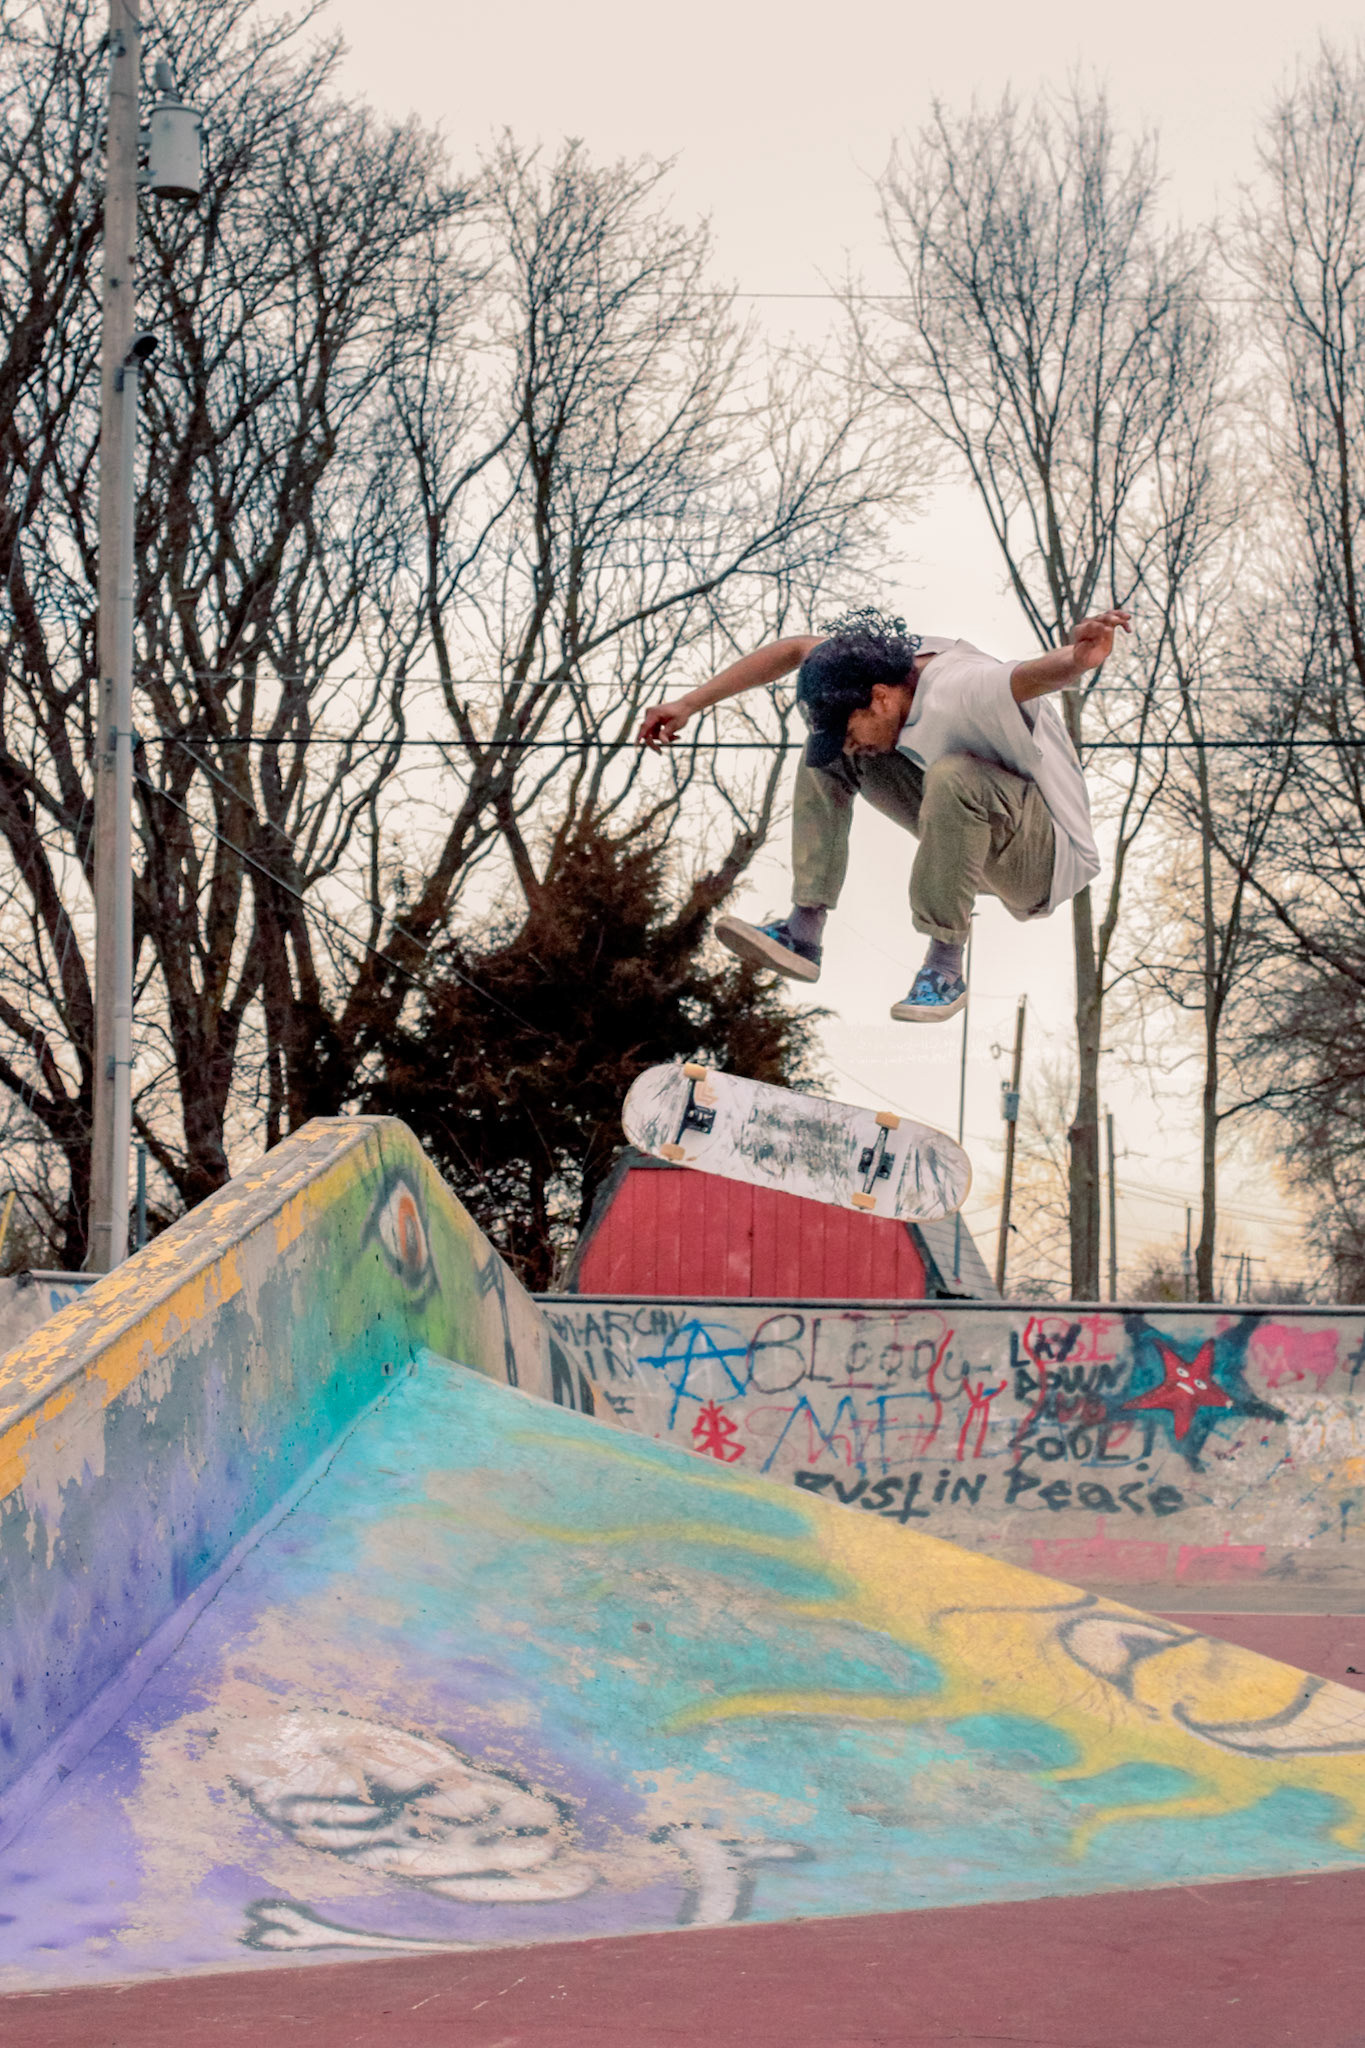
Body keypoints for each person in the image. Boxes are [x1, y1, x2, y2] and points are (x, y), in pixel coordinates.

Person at [637, 606, 1131, 1021]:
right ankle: (803, 932)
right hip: (974, 838)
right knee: (827, 755)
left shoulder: (961, 686)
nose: (854, 743)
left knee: (954, 776)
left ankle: (944, 967)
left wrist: (1079, 658)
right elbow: (793, 650)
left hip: (1043, 860)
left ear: (879, 698)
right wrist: (689, 703)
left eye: (855, 730)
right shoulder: (867, 669)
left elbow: (1031, 675)